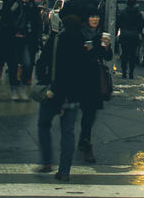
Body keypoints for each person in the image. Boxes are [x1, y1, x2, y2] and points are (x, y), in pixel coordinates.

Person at [35, 12, 98, 181]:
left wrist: (45, 82)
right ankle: (64, 171)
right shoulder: (84, 43)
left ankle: (47, 161)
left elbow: (42, 63)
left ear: (63, 25)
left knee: (43, 124)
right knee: (68, 132)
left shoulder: (56, 40)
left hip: (54, 92)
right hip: (74, 95)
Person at [77, 12, 113, 163]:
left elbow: (108, 57)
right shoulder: (80, 33)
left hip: (96, 77)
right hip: (81, 75)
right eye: (91, 16)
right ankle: (85, 140)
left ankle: (85, 139)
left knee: (91, 112)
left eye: (97, 17)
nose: (94, 19)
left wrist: (106, 47)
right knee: (85, 111)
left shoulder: (101, 34)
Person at [5, 0, 42, 100]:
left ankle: (23, 88)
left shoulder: (33, 9)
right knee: (14, 64)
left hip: (28, 40)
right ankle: (14, 89)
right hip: (15, 39)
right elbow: (8, 20)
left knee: (27, 64)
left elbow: (37, 25)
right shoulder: (15, 6)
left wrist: (37, 38)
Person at [116, 0, 144, 79]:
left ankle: (124, 72)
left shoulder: (123, 13)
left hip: (124, 35)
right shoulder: (138, 14)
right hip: (134, 36)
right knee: (132, 55)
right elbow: (141, 25)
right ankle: (131, 73)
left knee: (124, 54)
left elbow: (118, 24)